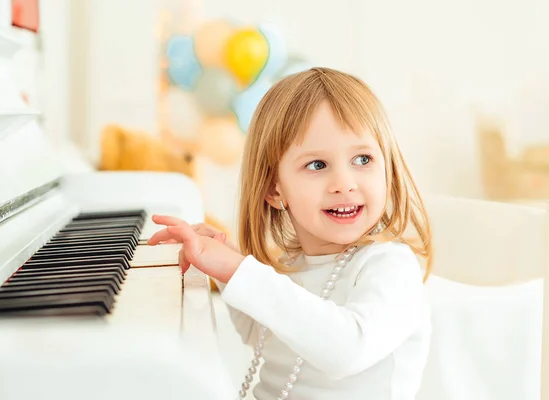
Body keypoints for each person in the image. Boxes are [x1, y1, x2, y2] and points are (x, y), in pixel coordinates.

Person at [148, 67, 432, 400]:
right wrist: (226, 269)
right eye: (317, 165)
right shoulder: (293, 264)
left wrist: (238, 270)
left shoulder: (391, 266)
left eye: (362, 158)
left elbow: (348, 349)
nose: (344, 183)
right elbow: (264, 335)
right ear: (274, 189)